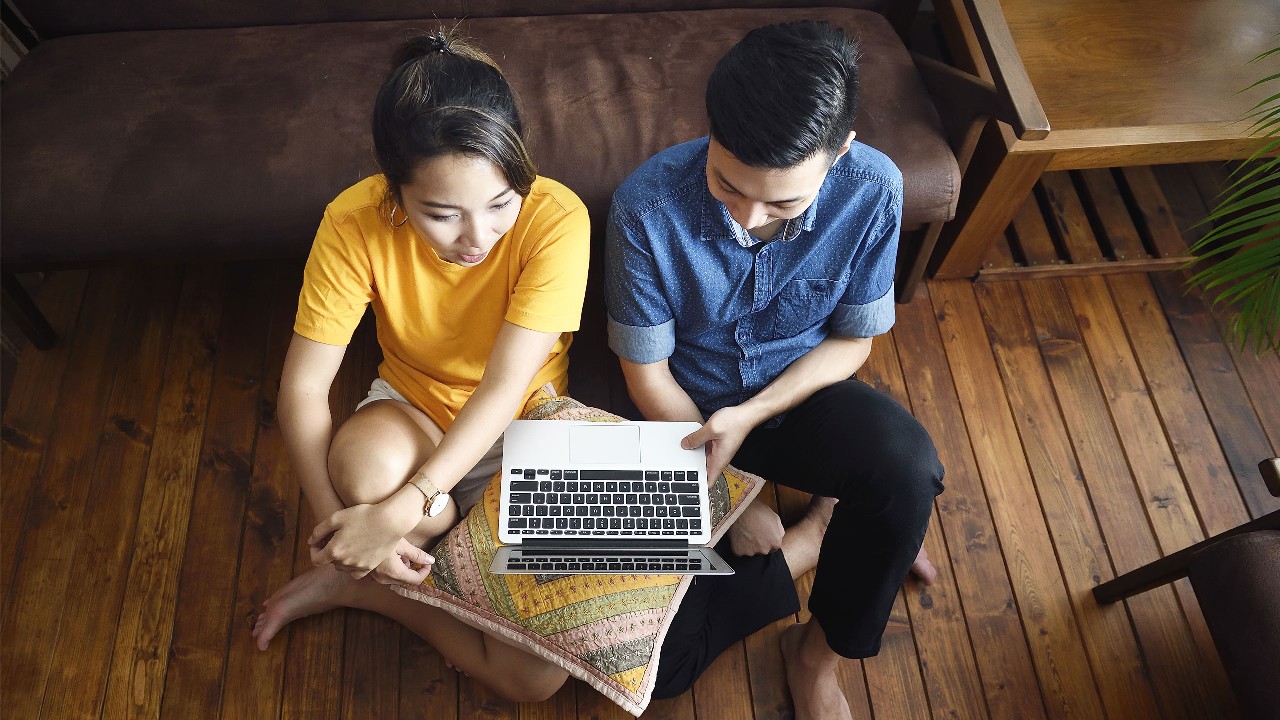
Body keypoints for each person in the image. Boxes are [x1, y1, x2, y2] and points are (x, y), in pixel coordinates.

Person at [604, 21, 945, 719]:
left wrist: (754, 417)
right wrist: (738, 492)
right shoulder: (645, 206)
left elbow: (852, 344)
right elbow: (647, 377)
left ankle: (817, 658)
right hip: (684, 420)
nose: (748, 218)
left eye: (783, 203)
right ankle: (821, 531)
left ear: (840, 152)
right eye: (727, 185)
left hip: (800, 395)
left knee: (907, 470)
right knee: (655, 666)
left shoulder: (874, 186)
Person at [252, 31, 593, 699]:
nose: (476, 239)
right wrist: (336, 535)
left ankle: (384, 591)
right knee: (367, 476)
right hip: (413, 409)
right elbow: (302, 387)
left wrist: (404, 506)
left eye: (500, 204)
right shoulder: (354, 222)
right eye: (442, 215)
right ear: (395, 191)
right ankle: (379, 565)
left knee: (533, 681)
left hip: (528, 426)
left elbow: (503, 387)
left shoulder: (558, 218)